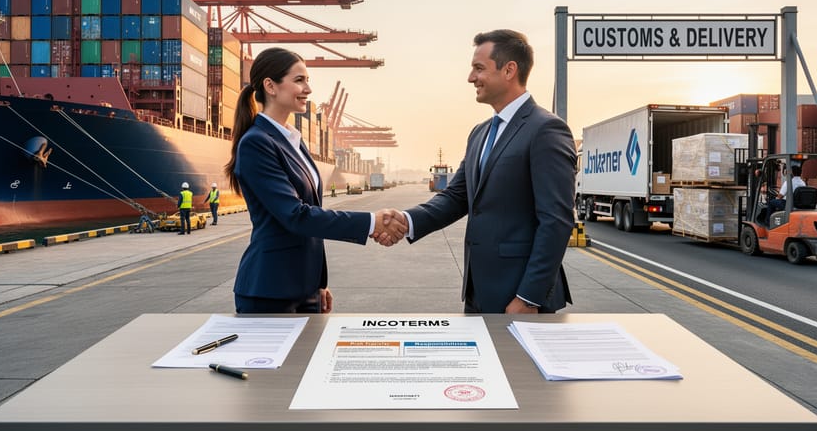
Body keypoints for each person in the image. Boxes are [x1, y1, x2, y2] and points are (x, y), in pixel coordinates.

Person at [390, 29, 577, 314]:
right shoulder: (479, 134)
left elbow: (556, 221)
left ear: (509, 70)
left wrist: (529, 297)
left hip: (520, 296)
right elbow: (456, 197)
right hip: (479, 291)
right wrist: (406, 220)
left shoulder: (546, 130)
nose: (470, 78)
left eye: (479, 68)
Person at [224, 47, 406, 314]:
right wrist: (371, 222)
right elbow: (296, 216)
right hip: (270, 290)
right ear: (270, 86)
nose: (308, 89)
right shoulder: (256, 143)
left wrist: (318, 282)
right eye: (299, 80)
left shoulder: (294, 141)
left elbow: (312, 219)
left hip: (305, 288)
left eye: (307, 80)